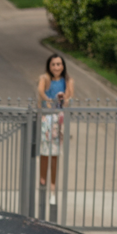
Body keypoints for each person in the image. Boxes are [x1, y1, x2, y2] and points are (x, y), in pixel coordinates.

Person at [37, 54, 72, 205]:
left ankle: (52, 188)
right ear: (49, 66)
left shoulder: (67, 81)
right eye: (53, 64)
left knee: (55, 155)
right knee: (44, 153)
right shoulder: (45, 78)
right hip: (46, 120)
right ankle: (42, 183)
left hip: (58, 121)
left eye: (59, 64)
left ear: (63, 66)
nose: (56, 67)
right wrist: (48, 100)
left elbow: (69, 97)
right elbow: (40, 92)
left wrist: (64, 98)